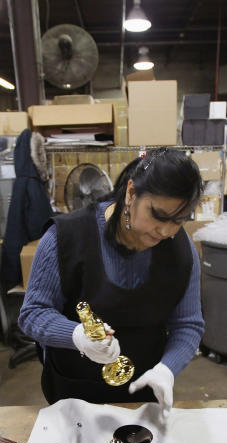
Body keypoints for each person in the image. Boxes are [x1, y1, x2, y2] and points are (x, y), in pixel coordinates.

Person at [18, 148, 205, 418]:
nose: (166, 231)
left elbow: (188, 323)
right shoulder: (66, 237)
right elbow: (32, 313)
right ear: (131, 193)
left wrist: (167, 369)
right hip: (74, 394)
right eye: (159, 215)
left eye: (179, 220)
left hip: (143, 392)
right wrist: (77, 336)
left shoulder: (181, 249)